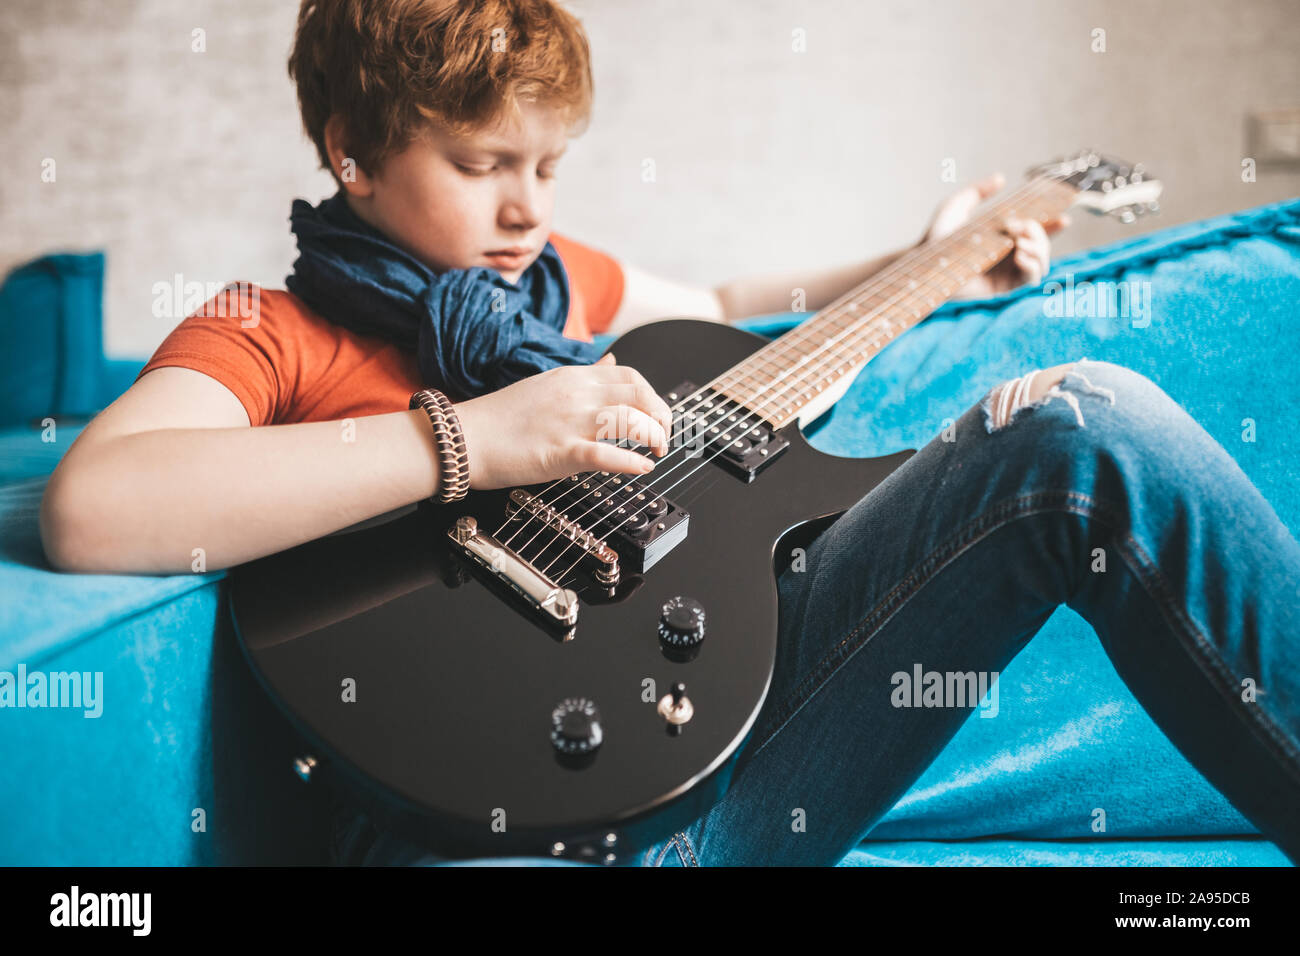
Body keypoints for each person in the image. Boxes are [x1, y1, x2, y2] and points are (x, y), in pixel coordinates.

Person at [39, 0, 1299, 867]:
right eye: (484, 163)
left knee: (1089, 416)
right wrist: (475, 439)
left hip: (745, 766)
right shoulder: (270, 328)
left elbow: (724, 312)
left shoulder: (555, 285)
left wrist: (927, 258)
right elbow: (98, 502)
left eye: (551, 163)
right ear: (351, 151)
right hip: (492, 823)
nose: (528, 206)